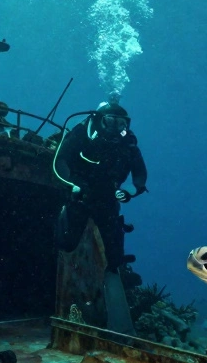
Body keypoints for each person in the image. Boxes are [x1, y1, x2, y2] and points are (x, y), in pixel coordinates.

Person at [53, 100, 148, 333]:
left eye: (121, 124)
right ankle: (61, 218)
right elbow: (60, 162)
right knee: (67, 242)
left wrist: (130, 192)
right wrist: (75, 186)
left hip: (108, 200)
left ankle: (110, 296)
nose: (115, 128)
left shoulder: (128, 144)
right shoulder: (82, 133)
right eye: (110, 122)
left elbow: (140, 174)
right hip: (82, 195)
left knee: (114, 257)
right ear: (99, 119)